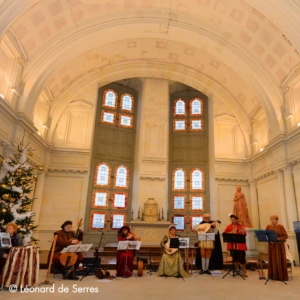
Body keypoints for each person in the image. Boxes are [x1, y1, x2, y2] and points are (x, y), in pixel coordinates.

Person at [265, 215, 288, 281]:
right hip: (272, 246)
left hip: (279, 246)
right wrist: (269, 239)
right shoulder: (268, 227)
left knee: (279, 260)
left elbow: (285, 235)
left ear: (277, 220)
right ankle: (273, 275)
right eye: (271, 220)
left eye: (273, 220)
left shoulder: (280, 226)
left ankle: (281, 275)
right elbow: (265, 235)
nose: (272, 221)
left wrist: (279, 238)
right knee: (273, 259)